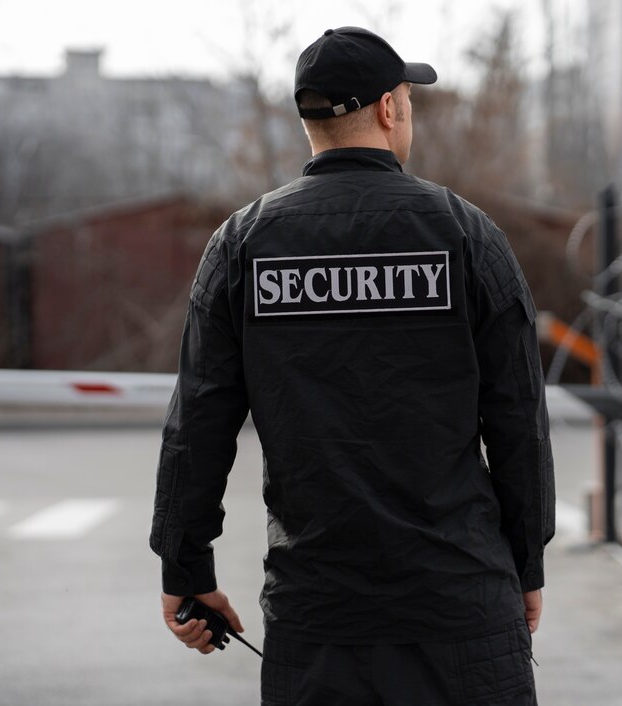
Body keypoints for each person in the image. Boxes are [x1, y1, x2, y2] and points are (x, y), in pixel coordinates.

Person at [151, 26, 555, 706]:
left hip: (319, 621)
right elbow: (518, 419)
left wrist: (185, 567)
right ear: (391, 109)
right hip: (459, 607)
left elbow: (199, 424)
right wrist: (526, 564)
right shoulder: (465, 234)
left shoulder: (243, 245)